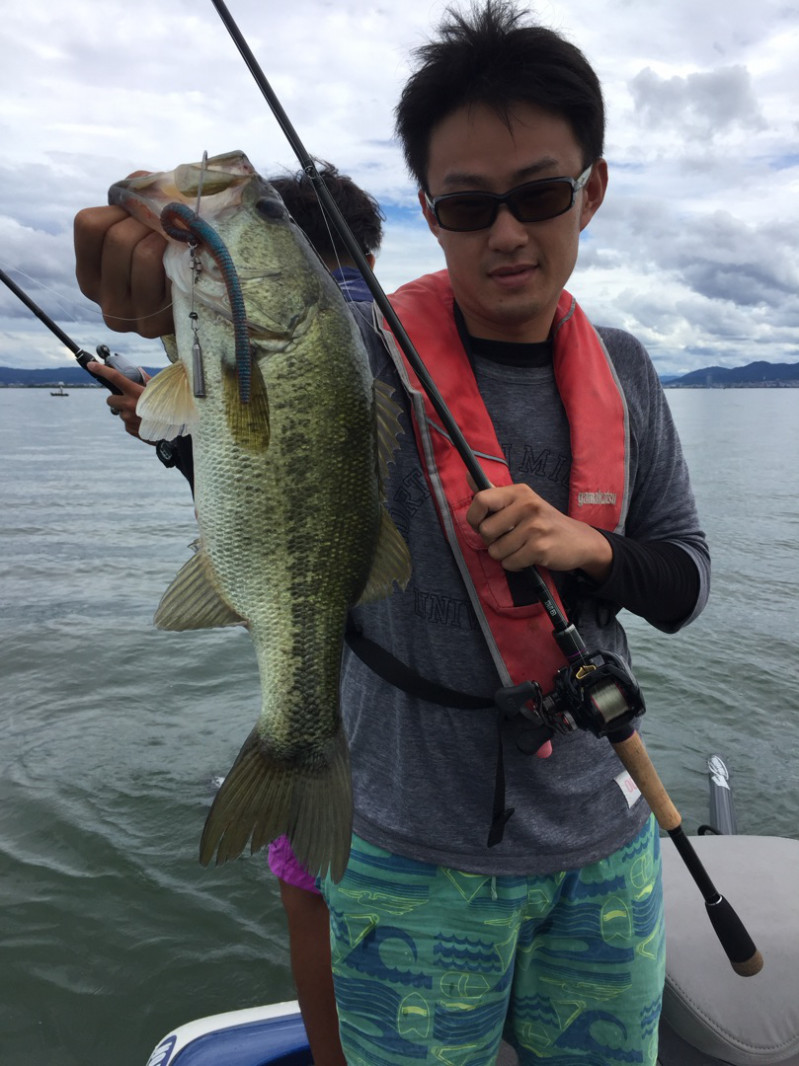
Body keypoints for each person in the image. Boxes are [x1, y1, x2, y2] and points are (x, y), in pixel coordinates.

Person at [74, 4, 710, 1063]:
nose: (506, 234)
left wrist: (587, 548)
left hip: (603, 847)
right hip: (407, 858)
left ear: (590, 191)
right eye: (467, 206)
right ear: (428, 211)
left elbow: (684, 581)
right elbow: (252, 395)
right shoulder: (355, 345)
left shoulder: (630, 369)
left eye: (538, 195)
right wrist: (153, 269)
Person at [82, 163, 382, 1066]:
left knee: (317, 905)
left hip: (390, 774)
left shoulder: (353, 328)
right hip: (331, 657)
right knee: (324, 903)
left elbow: (287, 451)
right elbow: (276, 472)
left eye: (272, 216)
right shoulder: (327, 333)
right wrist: (173, 400)